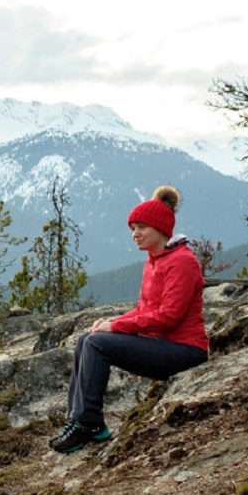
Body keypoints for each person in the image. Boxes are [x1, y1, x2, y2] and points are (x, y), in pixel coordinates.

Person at [50, 185, 209, 454]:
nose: (134, 234)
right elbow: (144, 309)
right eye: (132, 228)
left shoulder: (181, 261)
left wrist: (117, 327)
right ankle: (78, 420)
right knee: (87, 338)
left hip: (186, 351)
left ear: (160, 228)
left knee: (97, 344)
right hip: (162, 346)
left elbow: (169, 317)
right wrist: (111, 321)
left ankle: (89, 424)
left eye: (140, 227)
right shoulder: (155, 260)